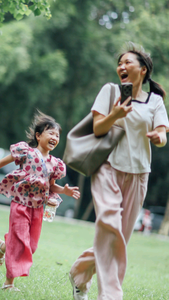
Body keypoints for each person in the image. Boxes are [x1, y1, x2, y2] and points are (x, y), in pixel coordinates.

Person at [68, 42, 169, 300]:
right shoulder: (110, 90)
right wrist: (115, 114)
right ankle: (111, 296)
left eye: (128, 63)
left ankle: (79, 273)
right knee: (109, 227)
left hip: (139, 175)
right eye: (119, 63)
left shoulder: (155, 101)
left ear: (143, 70)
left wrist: (158, 138)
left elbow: (162, 134)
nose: (121, 67)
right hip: (107, 169)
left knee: (119, 239)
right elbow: (99, 128)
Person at [0, 110, 80, 291]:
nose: (55, 137)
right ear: (38, 136)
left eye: (57, 135)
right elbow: (2, 162)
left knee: (31, 246)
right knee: (20, 243)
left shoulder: (55, 164)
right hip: (20, 204)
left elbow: (51, 186)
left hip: (38, 208)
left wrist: (65, 191)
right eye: (51, 133)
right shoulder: (26, 152)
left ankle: (1, 246)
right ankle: (9, 283)